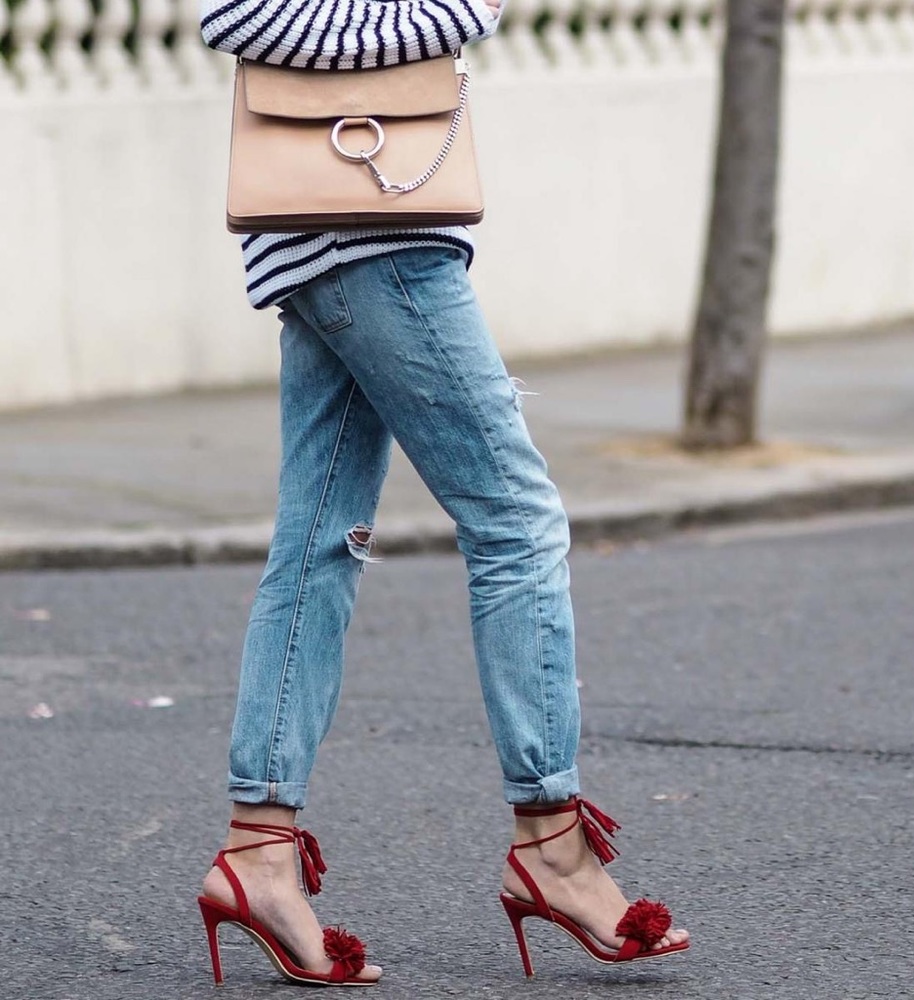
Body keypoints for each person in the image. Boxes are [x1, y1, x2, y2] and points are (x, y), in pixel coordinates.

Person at [195, 0, 690, 986]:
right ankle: (551, 844)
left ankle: (258, 851)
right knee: (516, 520)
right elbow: (235, 13)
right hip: (373, 243)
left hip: (338, 236)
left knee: (319, 542)